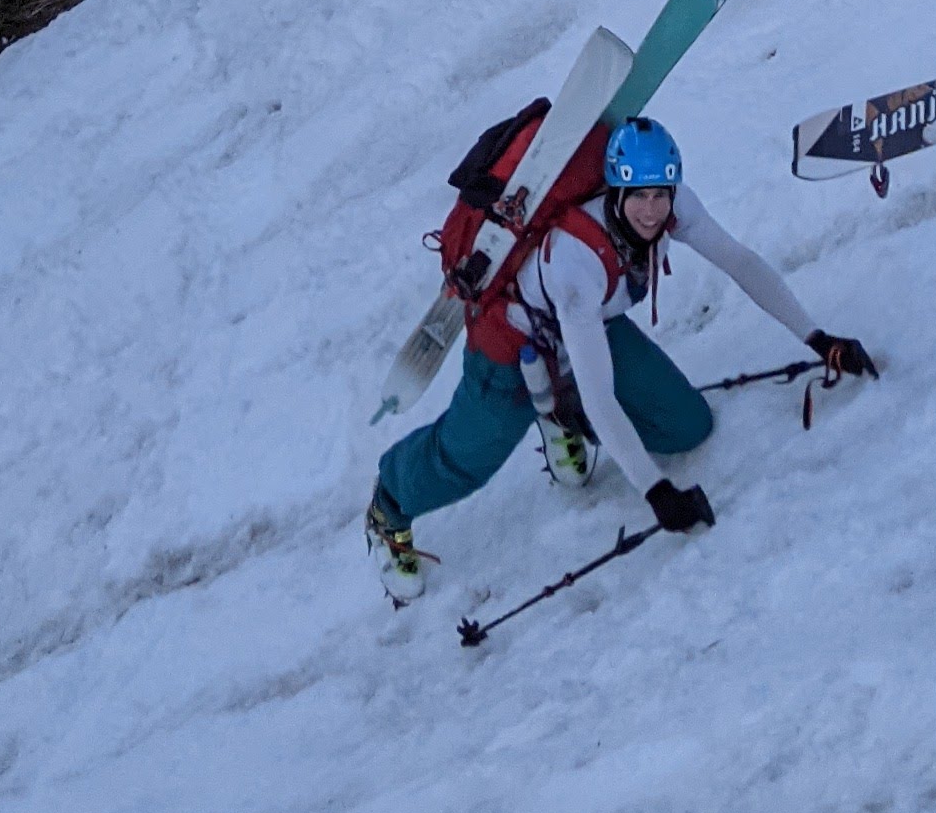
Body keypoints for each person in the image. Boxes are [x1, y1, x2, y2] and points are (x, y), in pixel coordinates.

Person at [366, 118, 872, 599]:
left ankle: (558, 412)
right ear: (616, 191)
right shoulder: (575, 262)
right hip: (511, 345)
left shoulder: (674, 207)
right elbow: (601, 396)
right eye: (639, 197)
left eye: (660, 194)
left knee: (687, 426)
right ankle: (390, 505)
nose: (652, 212)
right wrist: (657, 491)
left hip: (589, 331)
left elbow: (739, 262)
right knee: (467, 458)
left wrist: (817, 337)